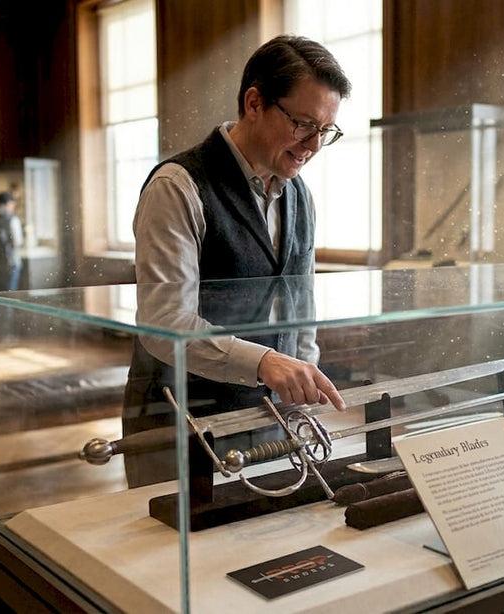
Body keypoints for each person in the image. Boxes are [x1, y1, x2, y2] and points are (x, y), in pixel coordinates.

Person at [123, 35, 351, 485]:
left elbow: (299, 306)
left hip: (266, 413)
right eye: (304, 124)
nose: (314, 144)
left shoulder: (299, 194)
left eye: (326, 131)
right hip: (175, 416)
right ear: (254, 102)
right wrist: (266, 362)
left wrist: (301, 383)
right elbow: (164, 321)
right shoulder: (177, 186)